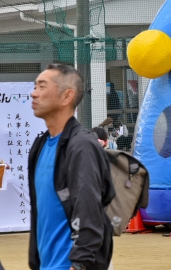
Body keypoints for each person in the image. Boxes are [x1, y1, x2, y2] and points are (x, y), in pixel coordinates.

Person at [29, 63, 115, 270]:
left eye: (42, 87)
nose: (34, 93)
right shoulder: (40, 146)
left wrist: (79, 264)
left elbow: (89, 209)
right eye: (35, 86)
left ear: (67, 96)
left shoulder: (81, 146)